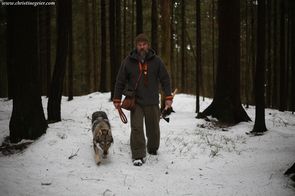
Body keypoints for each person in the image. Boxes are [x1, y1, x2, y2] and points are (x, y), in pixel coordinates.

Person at [113, 33, 173, 166]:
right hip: (136, 102)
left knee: (153, 129)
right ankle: (138, 155)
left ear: (148, 45)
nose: (141, 47)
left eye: (144, 44)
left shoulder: (156, 61)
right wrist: (117, 99)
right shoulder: (128, 61)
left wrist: (168, 97)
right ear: (136, 46)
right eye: (139, 45)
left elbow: (165, 79)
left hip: (152, 101)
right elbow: (120, 81)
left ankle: (152, 148)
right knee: (137, 128)